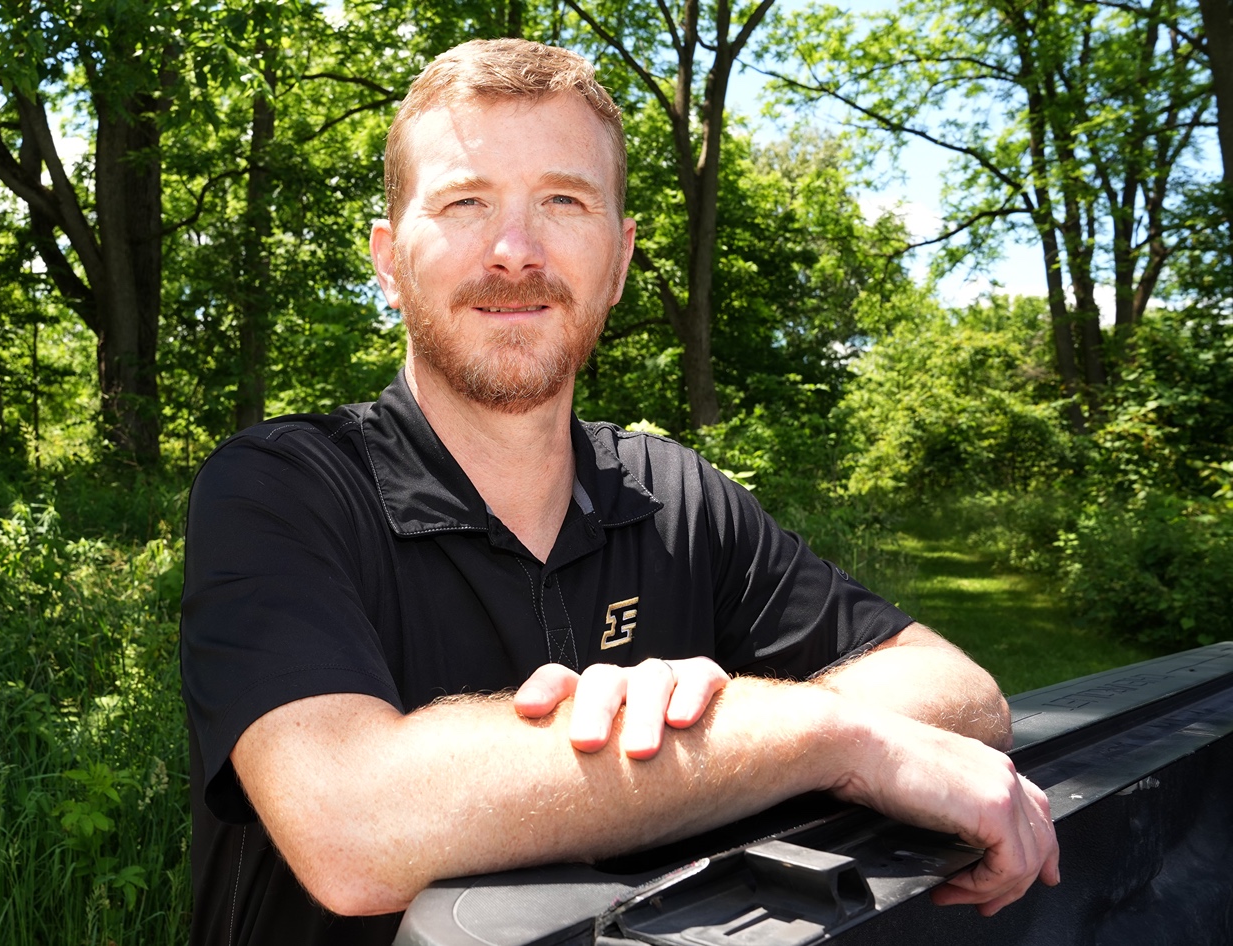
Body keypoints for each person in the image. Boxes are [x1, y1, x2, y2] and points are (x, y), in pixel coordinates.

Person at [179, 38, 1059, 946]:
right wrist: (819, 735)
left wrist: (736, 727)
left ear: (621, 257)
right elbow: (353, 826)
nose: (515, 251)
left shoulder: (674, 494)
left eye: (563, 200)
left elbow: (955, 688)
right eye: (464, 202)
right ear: (390, 261)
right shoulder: (282, 489)